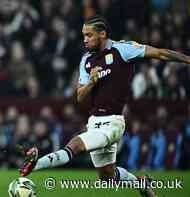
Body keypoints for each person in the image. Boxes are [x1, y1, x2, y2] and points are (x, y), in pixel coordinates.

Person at [20, 15, 190, 197]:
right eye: (83, 35)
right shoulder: (86, 60)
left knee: (75, 145)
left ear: (102, 34)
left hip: (114, 123)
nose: (85, 40)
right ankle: (141, 184)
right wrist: (91, 82)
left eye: (89, 35)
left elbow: (159, 53)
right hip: (94, 122)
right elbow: (79, 96)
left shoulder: (123, 50)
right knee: (108, 176)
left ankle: (35, 164)